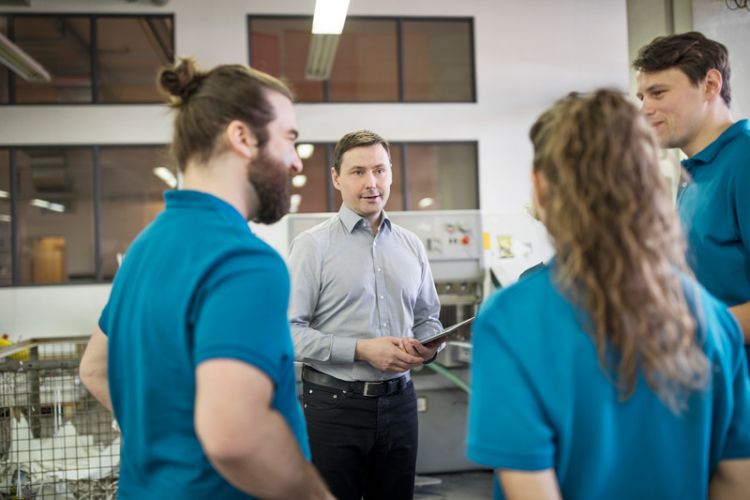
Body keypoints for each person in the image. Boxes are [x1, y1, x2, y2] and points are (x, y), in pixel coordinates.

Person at [466, 90, 750, 500]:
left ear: (541, 189)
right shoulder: (710, 318)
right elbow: (736, 482)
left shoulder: (510, 321)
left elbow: (532, 491)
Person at [79, 58, 331, 499]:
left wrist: (176, 441)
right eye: (289, 139)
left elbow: (94, 369)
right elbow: (236, 438)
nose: (294, 162)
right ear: (242, 137)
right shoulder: (244, 261)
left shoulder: (144, 248)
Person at [288, 130, 443, 499]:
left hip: (400, 402)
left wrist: (429, 346)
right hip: (333, 408)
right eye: (358, 172)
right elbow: (288, 334)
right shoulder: (313, 247)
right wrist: (361, 350)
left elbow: (428, 318)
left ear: (391, 173)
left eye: (379, 170)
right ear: (336, 178)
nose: (371, 183)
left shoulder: (410, 245)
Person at [634, 32, 750, 359]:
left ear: (710, 85)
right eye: (642, 97)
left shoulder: (744, 163)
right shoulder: (694, 171)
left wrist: (690, 327)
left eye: (658, 93)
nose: (645, 109)